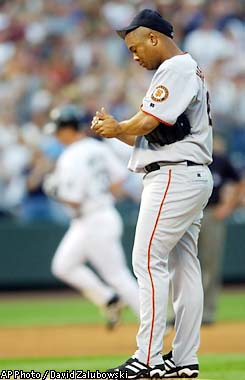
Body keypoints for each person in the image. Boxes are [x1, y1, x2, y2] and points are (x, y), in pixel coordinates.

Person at [91, 8, 213, 378]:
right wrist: (116, 130)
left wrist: (120, 126)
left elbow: (146, 122)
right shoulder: (187, 70)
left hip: (173, 178)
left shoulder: (174, 68)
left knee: (147, 261)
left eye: (135, 47)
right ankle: (184, 361)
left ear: (154, 38)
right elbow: (154, 135)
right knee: (183, 268)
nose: (134, 55)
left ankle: (147, 360)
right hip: (187, 174)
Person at [43, 104, 139, 329]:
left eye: (58, 131)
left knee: (117, 275)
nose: (56, 136)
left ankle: (155, 322)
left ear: (67, 129)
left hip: (94, 218)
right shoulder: (97, 147)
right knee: (63, 266)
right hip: (95, 217)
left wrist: (53, 190)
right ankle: (109, 299)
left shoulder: (70, 156)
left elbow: (74, 199)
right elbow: (118, 180)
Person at [198, 135, 243, 325]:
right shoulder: (191, 158)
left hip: (210, 213)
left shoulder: (221, 161)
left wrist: (228, 207)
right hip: (188, 213)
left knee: (210, 265)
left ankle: (207, 313)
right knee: (182, 265)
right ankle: (180, 313)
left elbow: (240, 181)